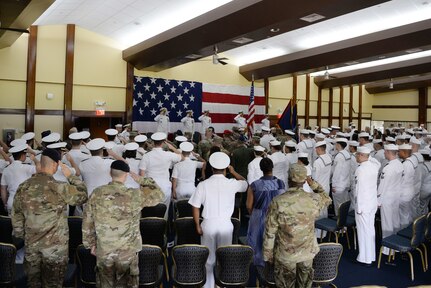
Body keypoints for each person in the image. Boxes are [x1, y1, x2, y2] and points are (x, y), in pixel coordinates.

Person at [11, 148, 88, 288]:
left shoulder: (23, 187)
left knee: (33, 284)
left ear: (41, 164)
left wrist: (23, 235)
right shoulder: (59, 187)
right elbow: (83, 195)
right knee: (53, 284)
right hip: (55, 250)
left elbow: (16, 215)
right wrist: (71, 176)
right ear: (56, 165)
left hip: (31, 247)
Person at [82, 160, 163, 287]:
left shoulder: (97, 193)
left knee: (105, 284)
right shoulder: (135, 195)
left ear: (110, 173)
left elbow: (87, 220)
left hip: (104, 250)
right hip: (128, 252)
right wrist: (143, 180)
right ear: (126, 175)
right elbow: (159, 195)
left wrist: (90, 244)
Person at [263, 164, 331, 288]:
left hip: (285, 254)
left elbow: (270, 231)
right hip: (307, 253)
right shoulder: (314, 199)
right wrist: (313, 184)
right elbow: (327, 198)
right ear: (305, 180)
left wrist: (268, 255)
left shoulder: (278, 201)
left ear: (288, 180)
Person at [189, 152, 248, 288]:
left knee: (209, 260)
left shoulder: (203, 184)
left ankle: (208, 286)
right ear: (226, 168)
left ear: (211, 168)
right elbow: (245, 183)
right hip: (226, 225)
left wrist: (197, 225)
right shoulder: (232, 183)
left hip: (208, 224)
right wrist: (233, 172)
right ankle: (221, 285)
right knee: (224, 258)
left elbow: (195, 206)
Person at [246, 158, 285, 267]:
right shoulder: (280, 183)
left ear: (261, 169)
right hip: (276, 216)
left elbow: (249, 206)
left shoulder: (254, 185)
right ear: (272, 168)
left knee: (257, 241)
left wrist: (254, 214)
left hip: (258, 216)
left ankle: (259, 264)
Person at [139, 132, 181, 215]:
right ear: (163, 143)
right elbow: (181, 157)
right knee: (164, 213)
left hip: (150, 187)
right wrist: (171, 147)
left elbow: (142, 175)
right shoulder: (168, 154)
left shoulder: (146, 156)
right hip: (164, 187)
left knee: (149, 213)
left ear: (153, 142)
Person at [353, 146, 380, 266]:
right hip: (371, 203)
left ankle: (364, 257)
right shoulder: (374, 166)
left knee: (363, 231)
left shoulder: (360, 170)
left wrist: (358, 207)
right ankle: (371, 255)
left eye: (357, 155)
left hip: (363, 205)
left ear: (361, 155)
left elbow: (358, 190)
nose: (355, 157)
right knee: (370, 230)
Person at [377, 144, 403, 255]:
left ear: (388, 152)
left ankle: (388, 249)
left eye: (385, 152)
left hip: (387, 198)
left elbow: (382, 186)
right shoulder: (399, 164)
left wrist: (378, 201)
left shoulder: (388, 168)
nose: (384, 153)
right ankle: (395, 246)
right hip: (396, 196)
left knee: (387, 223)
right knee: (395, 221)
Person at [1, 144, 39, 214]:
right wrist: (34, 157)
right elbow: (40, 169)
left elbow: (3, 189)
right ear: (23, 156)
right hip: (25, 202)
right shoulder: (27, 168)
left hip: (11, 201)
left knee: (12, 224)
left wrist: (5, 203)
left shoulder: (6, 170)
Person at [331, 138, 351, 215]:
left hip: (339, 185)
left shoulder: (339, 156)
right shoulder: (347, 154)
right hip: (346, 183)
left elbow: (337, 172)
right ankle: (344, 224)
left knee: (338, 207)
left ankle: (340, 224)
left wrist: (334, 185)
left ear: (338, 145)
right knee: (345, 205)